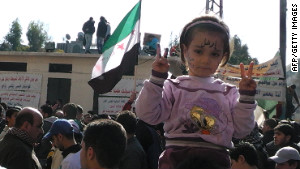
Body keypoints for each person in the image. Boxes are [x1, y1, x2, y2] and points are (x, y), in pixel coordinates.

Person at [135, 15, 257, 169]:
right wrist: (156, 80)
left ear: (223, 57)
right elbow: (147, 114)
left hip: (216, 159)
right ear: (185, 50)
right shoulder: (174, 87)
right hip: (175, 158)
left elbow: (241, 130)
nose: (205, 60)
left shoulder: (229, 92)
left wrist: (246, 98)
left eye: (214, 54)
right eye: (199, 51)